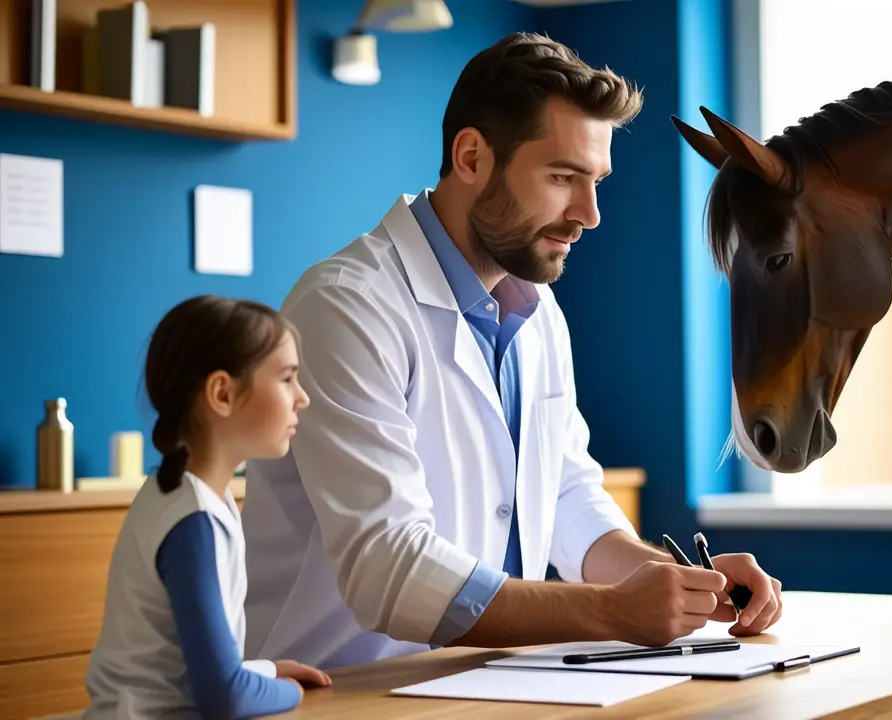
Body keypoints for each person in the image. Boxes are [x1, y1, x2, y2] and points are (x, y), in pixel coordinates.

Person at [241, 31, 784, 670]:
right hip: (339, 691)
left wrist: (682, 585)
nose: (590, 213)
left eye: (597, 181)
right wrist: (610, 610)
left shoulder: (537, 309)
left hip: (480, 682)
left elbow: (565, 499)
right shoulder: (346, 307)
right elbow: (388, 568)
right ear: (471, 156)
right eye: (562, 177)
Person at [83, 296, 332, 719]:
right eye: (288, 379)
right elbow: (225, 697)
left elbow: (189, 668)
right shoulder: (192, 523)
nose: (302, 398)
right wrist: (288, 690)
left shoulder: (190, 498)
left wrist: (267, 670)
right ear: (222, 393)